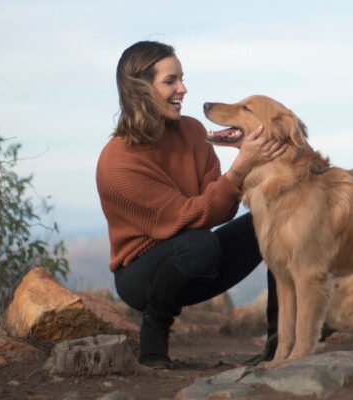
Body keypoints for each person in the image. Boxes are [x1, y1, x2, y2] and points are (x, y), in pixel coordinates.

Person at [96, 41, 283, 369]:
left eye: (181, 79)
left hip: (198, 254)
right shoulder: (118, 163)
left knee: (276, 219)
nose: (183, 89)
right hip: (142, 274)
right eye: (170, 81)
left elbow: (220, 209)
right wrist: (240, 167)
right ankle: (154, 335)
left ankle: (281, 339)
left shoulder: (194, 131)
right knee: (198, 245)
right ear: (139, 88)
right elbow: (191, 215)